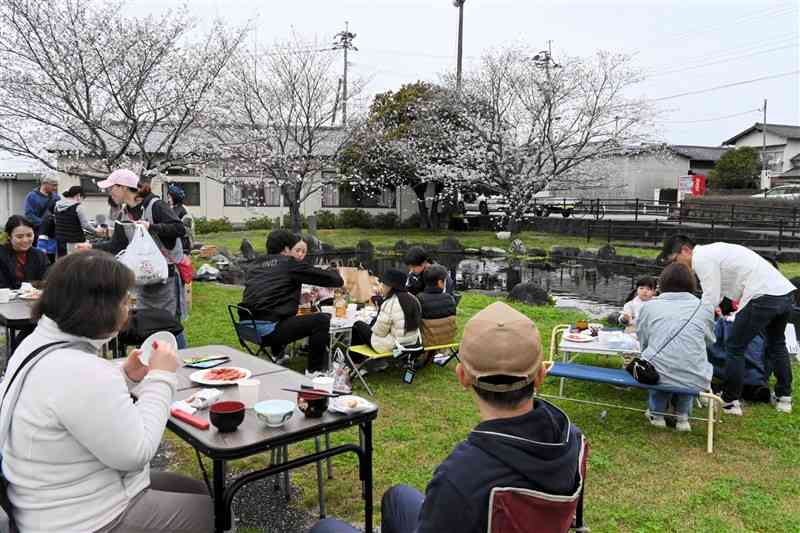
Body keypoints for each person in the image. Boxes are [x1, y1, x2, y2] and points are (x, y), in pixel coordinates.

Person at [312, 302, 586, 533]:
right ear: (540, 375)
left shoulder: (461, 476)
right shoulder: (572, 438)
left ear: (462, 376)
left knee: (324, 529)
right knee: (397, 497)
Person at [0, 251, 213, 533]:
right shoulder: (82, 370)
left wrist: (125, 376)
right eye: (125, 301)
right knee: (211, 511)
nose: (129, 310)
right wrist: (161, 377)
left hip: (42, 501)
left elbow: (74, 404)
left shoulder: (34, 345)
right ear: (97, 308)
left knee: (197, 490)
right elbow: (137, 453)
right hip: (83, 520)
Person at [658, 235, 795, 415]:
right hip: (784, 293)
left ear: (685, 250)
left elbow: (710, 299)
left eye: (675, 260)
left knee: (735, 347)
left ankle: (731, 401)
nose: (677, 266)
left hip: (762, 296)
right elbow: (720, 295)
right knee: (777, 344)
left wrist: (692, 324)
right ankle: (784, 398)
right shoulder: (715, 250)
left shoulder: (702, 258)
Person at [79, 169, 189, 349]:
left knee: (167, 324)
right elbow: (117, 246)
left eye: (112, 188)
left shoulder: (155, 205)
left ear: (123, 187)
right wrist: (90, 248)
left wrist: (151, 226)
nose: (110, 192)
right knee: (149, 325)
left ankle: (181, 359)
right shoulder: (125, 212)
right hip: (144, 279)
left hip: (165, 277)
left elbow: (179, 228)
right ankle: (153, 362)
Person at [241, 229, 343, 372]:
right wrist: (334, 271)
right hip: (267, 331)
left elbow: (269, 293)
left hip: (246, 327)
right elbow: (335, 280)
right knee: (322, 320)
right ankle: (315, 372)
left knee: (282, 311)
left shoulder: (254, 265)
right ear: (287, 249)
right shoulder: (289, 263)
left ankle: (278, 354)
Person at [636, 263, 715, 432]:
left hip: (657, 373)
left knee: (657, 367)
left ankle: (656, 415)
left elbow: (643, 337)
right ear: (692, 284)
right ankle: (682, 418)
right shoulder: (705, 307)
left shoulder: (650, 306)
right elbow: (709, 340)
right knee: (688, 369)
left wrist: (646, 353)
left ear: (662, 283)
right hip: (694, 375)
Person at [350, 268, 422, 353]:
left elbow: (379, 332)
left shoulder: (390, 302)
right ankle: (362, 360)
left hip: (392, 346)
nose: (381, 286)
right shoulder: (413, 299)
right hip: (411, 343)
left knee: (358, 325)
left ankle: (355, 361)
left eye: (383, 284)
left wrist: (373, 325)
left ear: (390, 286)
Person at [0, 215, 48, 290]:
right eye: (19, 237)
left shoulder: (40, 255)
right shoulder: (1, 254)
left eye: (29, 235)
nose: (25, 240)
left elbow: (47, 280)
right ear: (9, 236)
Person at [417, 265, 457, 348]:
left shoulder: (419, 299)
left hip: (428, 345)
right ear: (440, 283)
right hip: (447, 342)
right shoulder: (450, 299)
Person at [53, 185, 98, 255]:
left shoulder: (57, 206)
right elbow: (85, 225)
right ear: (78, 195)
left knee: (63, 262)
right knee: (75, 263)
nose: (82, 201)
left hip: (60, 241)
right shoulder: (78, 207)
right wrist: (96, 231)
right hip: (74, 241)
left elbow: (58, 221)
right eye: (83, 198)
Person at [167, 184, 193, 254]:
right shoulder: (171, 208)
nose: (168, 200)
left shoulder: (184, 210)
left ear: (175, 197)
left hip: (183, 244)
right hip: (173, 243)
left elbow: (186, 230)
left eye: (169, 197)